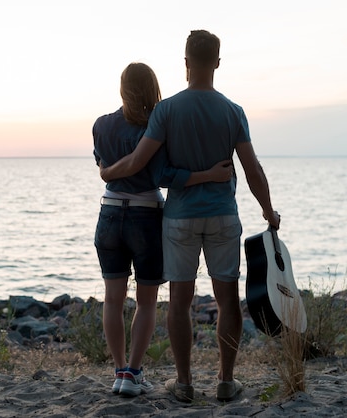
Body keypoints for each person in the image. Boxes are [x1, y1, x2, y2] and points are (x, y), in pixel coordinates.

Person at [100, 31, 280, 403]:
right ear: (216, 63)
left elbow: (147, 167)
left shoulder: (166, 111)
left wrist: (107, 172)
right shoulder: (233, 111)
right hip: (222, 216)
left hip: (179, 217)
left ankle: (183, 384)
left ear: (185, 64)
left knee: (179, 300)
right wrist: (268, 211)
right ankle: (226, 381)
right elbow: (252, 170)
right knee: (227, 299)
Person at [93, 62, 233, 397]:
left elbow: (103, 167)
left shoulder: (101, 125)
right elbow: (161, 174)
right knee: (146, 300)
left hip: (110, 213)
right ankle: (134, 372)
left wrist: (108, 172)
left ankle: (118, 371)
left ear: (122, 88)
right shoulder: (156, 123)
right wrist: (209, 175)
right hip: (146, 215)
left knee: (112, 300)